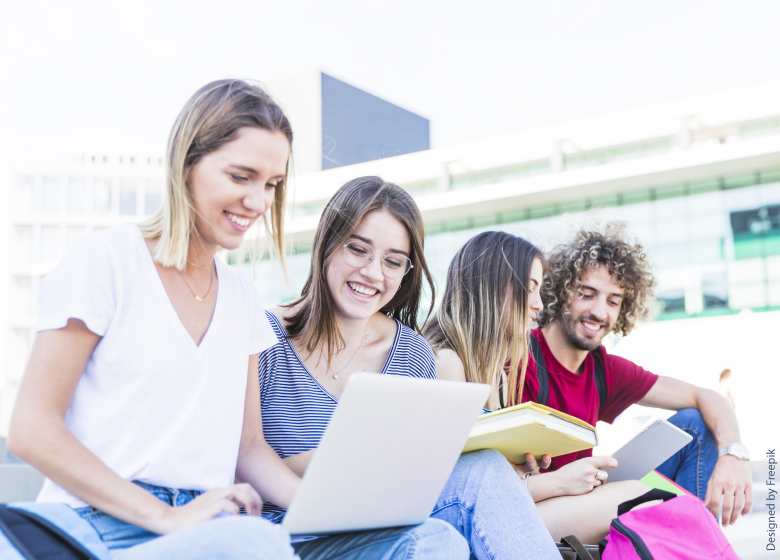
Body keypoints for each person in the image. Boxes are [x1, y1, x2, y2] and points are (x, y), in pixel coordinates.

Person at [7, 80, 464, 560]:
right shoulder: (107, 261)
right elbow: (32, 429)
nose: (258, 201)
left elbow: (249, 447)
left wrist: (324, 513)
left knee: (435, 541)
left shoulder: (242, 299)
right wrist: (164, 516)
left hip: (216, 528)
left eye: (271, 185)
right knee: (254, 545)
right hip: (103, 523)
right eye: (241, 176)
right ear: (187, 165)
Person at [258, 177, 560, 560]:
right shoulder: (264, 336)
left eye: (392, 261)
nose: (373, 273)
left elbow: (413, 475)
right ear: (327, 244)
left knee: (484, 468)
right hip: (282, 533)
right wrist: (349, 456)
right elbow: (230, 465)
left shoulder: (411, 351)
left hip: (375, 525)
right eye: (358, 249)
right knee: (435, 541)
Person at [514, 223, 753, 540]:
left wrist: (734, 456)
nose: (599, 312)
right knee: (648, 498)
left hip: (590, 497)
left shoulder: (604, 369)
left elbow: (706, 396)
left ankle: (689, 545)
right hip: (537, 513)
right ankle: (693, 539)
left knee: (696, 426)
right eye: (587, 294)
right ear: (558, 292)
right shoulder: (519, 360)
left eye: (613, 301)